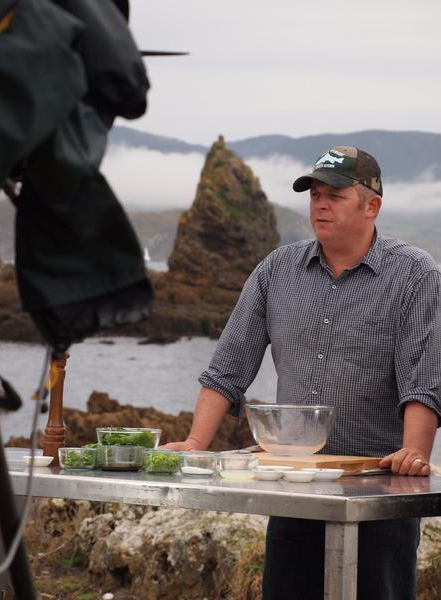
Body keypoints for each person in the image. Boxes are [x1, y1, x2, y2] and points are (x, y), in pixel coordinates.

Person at [165, 145, 441, 600]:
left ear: (372, 205)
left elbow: (423, 382)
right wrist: (196, 443)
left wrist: (414, 451)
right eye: (314, 195)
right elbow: (227, 369)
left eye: (333, 194)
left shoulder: (415, 276)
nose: (320, 204)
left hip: (378, 496)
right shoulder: (275, 271)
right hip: (293, 491)